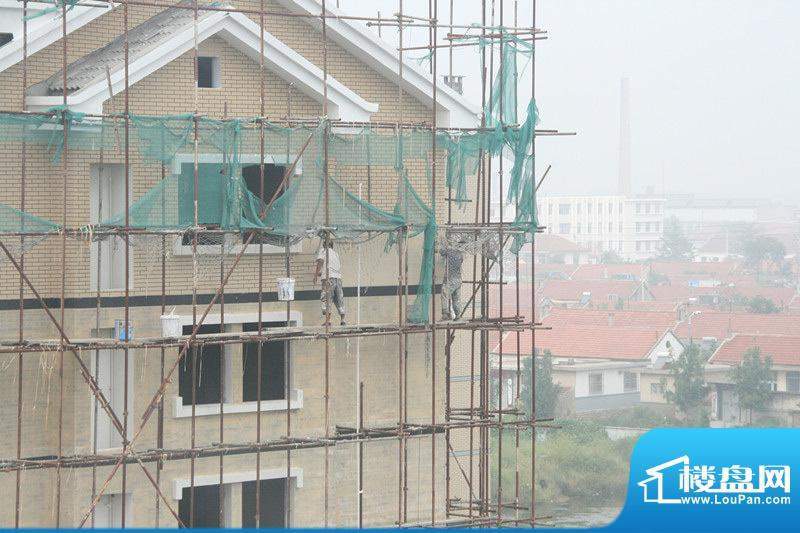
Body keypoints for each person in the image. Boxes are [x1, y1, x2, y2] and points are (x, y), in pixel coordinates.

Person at [314, 237, 346, 325]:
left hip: (328, 279)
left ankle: (328, 321)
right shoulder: (336, 254)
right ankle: (343, 320)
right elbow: (332, 267)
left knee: (327, 298)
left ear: (325, 245)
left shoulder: (324, 251)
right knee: (339, 299)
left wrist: (315, 275)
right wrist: (322, 273)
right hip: (338, 279)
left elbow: (320, 262)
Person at [440, 242, 464, 320]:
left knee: (445, 294)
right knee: (456, 297)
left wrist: (442, 243)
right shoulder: (460, 254)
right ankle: (458, 315)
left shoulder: (450, 252)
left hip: (450, 279)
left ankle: (445, 314)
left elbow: (441, 252)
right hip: (458, 279)